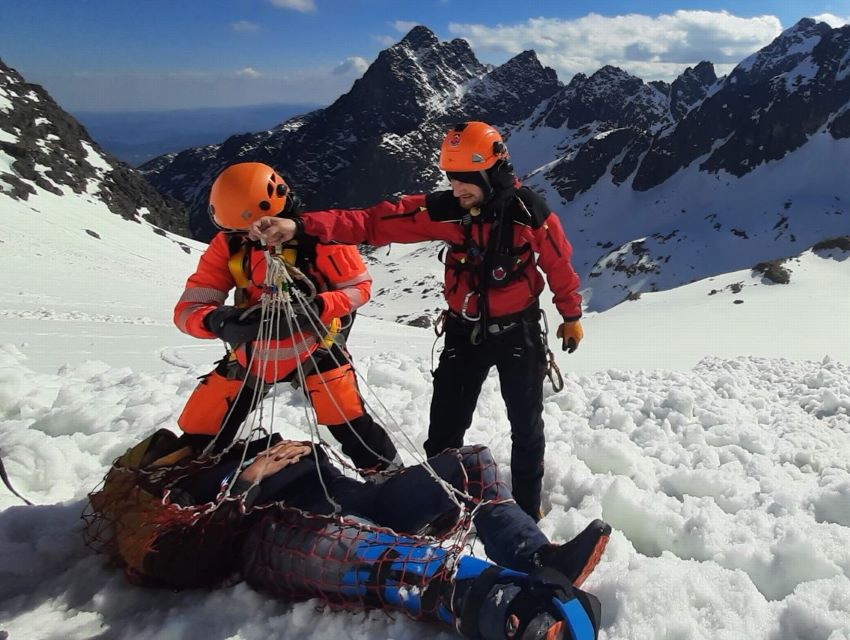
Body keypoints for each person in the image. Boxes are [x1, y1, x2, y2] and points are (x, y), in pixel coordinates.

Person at [247, 122, 584, 520]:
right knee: (444, 430)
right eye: (452, 180)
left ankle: (527, 510)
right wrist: (299, 227)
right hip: (464, 332)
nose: (456, 190)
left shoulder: (530, 215)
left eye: (466, 181)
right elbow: (372, 223)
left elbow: (558, 265)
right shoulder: (445, 211)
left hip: (519, 332)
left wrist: (571, 314)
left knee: (526, 428)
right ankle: (438, 507)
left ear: (492, 174)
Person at [89, 431, 610, 640]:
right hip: (275, 536)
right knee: (365, 555)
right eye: (172, 448)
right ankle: (505, 607)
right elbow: (173, 557)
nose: (187, 444)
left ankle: (538, 557)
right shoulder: (166, 497)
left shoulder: (245, 436)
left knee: (471, 464)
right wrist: (244, 480)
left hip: (356, 501)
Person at [172, 162, 399, 472]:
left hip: (315, 346)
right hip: (252, 351)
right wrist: (218, 322)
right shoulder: (229, 244)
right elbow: (190, 307)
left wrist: (317, 307)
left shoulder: (322, 237)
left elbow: (359, 290)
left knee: (349, 421)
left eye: (255, 228)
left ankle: (390, 476)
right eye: (242, 231)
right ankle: (186, 473)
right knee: (203, 425)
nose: (253, 237)